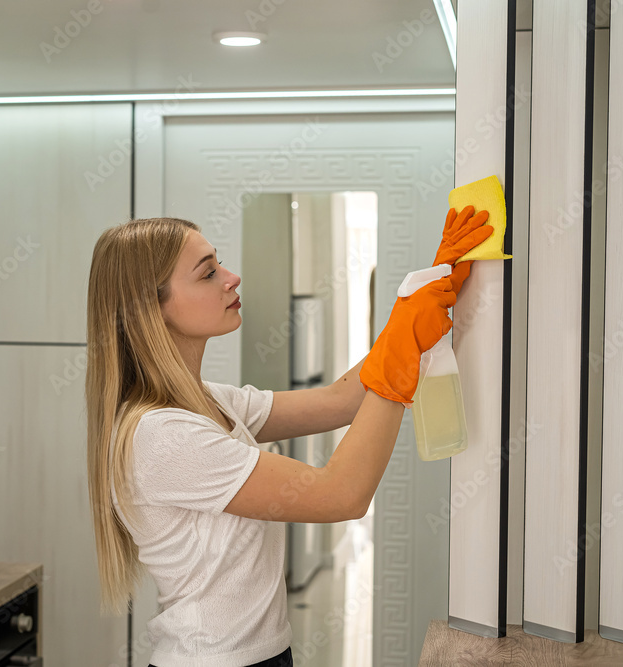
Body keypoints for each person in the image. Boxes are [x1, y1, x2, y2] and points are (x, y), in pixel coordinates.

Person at [85, 208, 492, 667]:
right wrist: (401, 355)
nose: (232, 277)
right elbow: (341, 495)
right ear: (151, 306)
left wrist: (420, 299)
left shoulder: (205, 401)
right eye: (208, 273)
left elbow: (339, 400)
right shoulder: (162, 435)